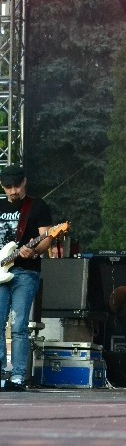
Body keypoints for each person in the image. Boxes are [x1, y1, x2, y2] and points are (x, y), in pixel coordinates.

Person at [0, 164, 53, 391]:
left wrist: (33, 251)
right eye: (8, 187)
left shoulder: (37, 206)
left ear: (24, 182)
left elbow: (46, 237)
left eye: (17, 186)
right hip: (1, 270)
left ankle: (18, 377)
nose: (13, 191)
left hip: (25, 271)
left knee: (19, 325)